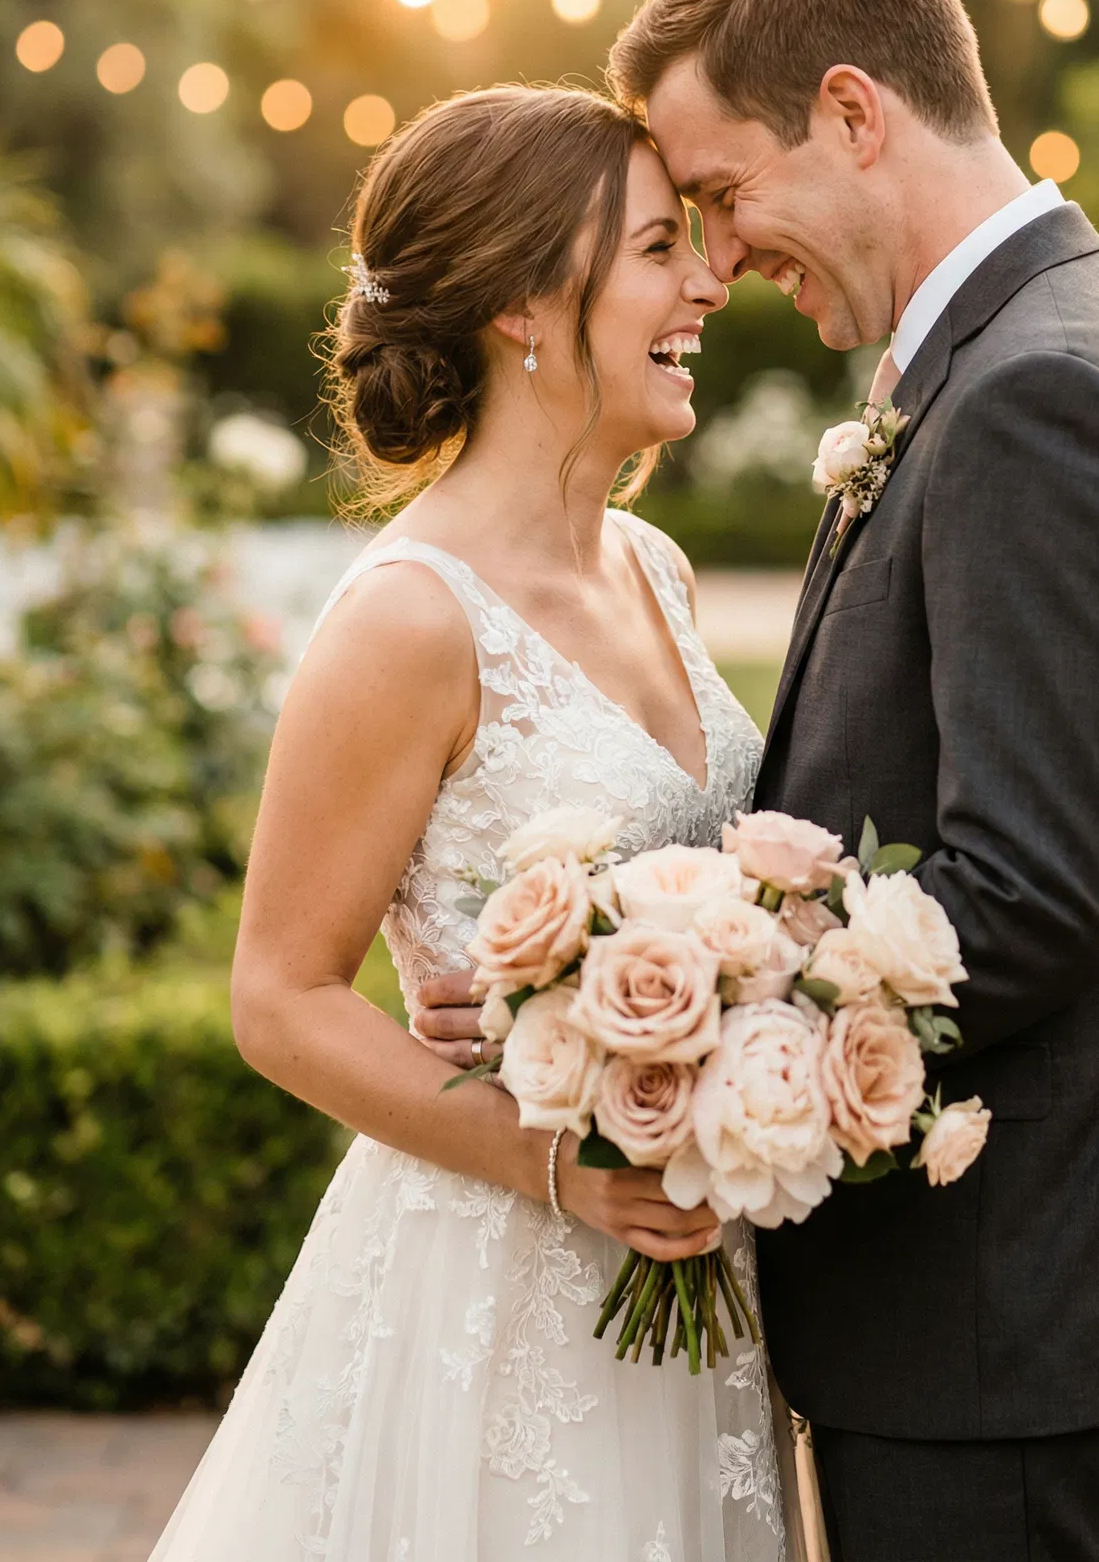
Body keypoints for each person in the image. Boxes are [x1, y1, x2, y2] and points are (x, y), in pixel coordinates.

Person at [427, 0, 1099, 1560]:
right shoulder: (1004, 355)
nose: (721, 261)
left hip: (1002, 1310)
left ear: (855, 114)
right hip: (979, 1311)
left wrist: (654, 1032)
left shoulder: (1038, 392)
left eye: (725, 196)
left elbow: (1025, 896)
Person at [148, 86, 786, 1561]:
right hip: (498, 1293)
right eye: (653, 249)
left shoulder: (656, 568)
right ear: (521, 305)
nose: (705, 282)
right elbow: (278, 994)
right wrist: (555, 1164)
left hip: (699, 1282)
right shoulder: (409, 618)